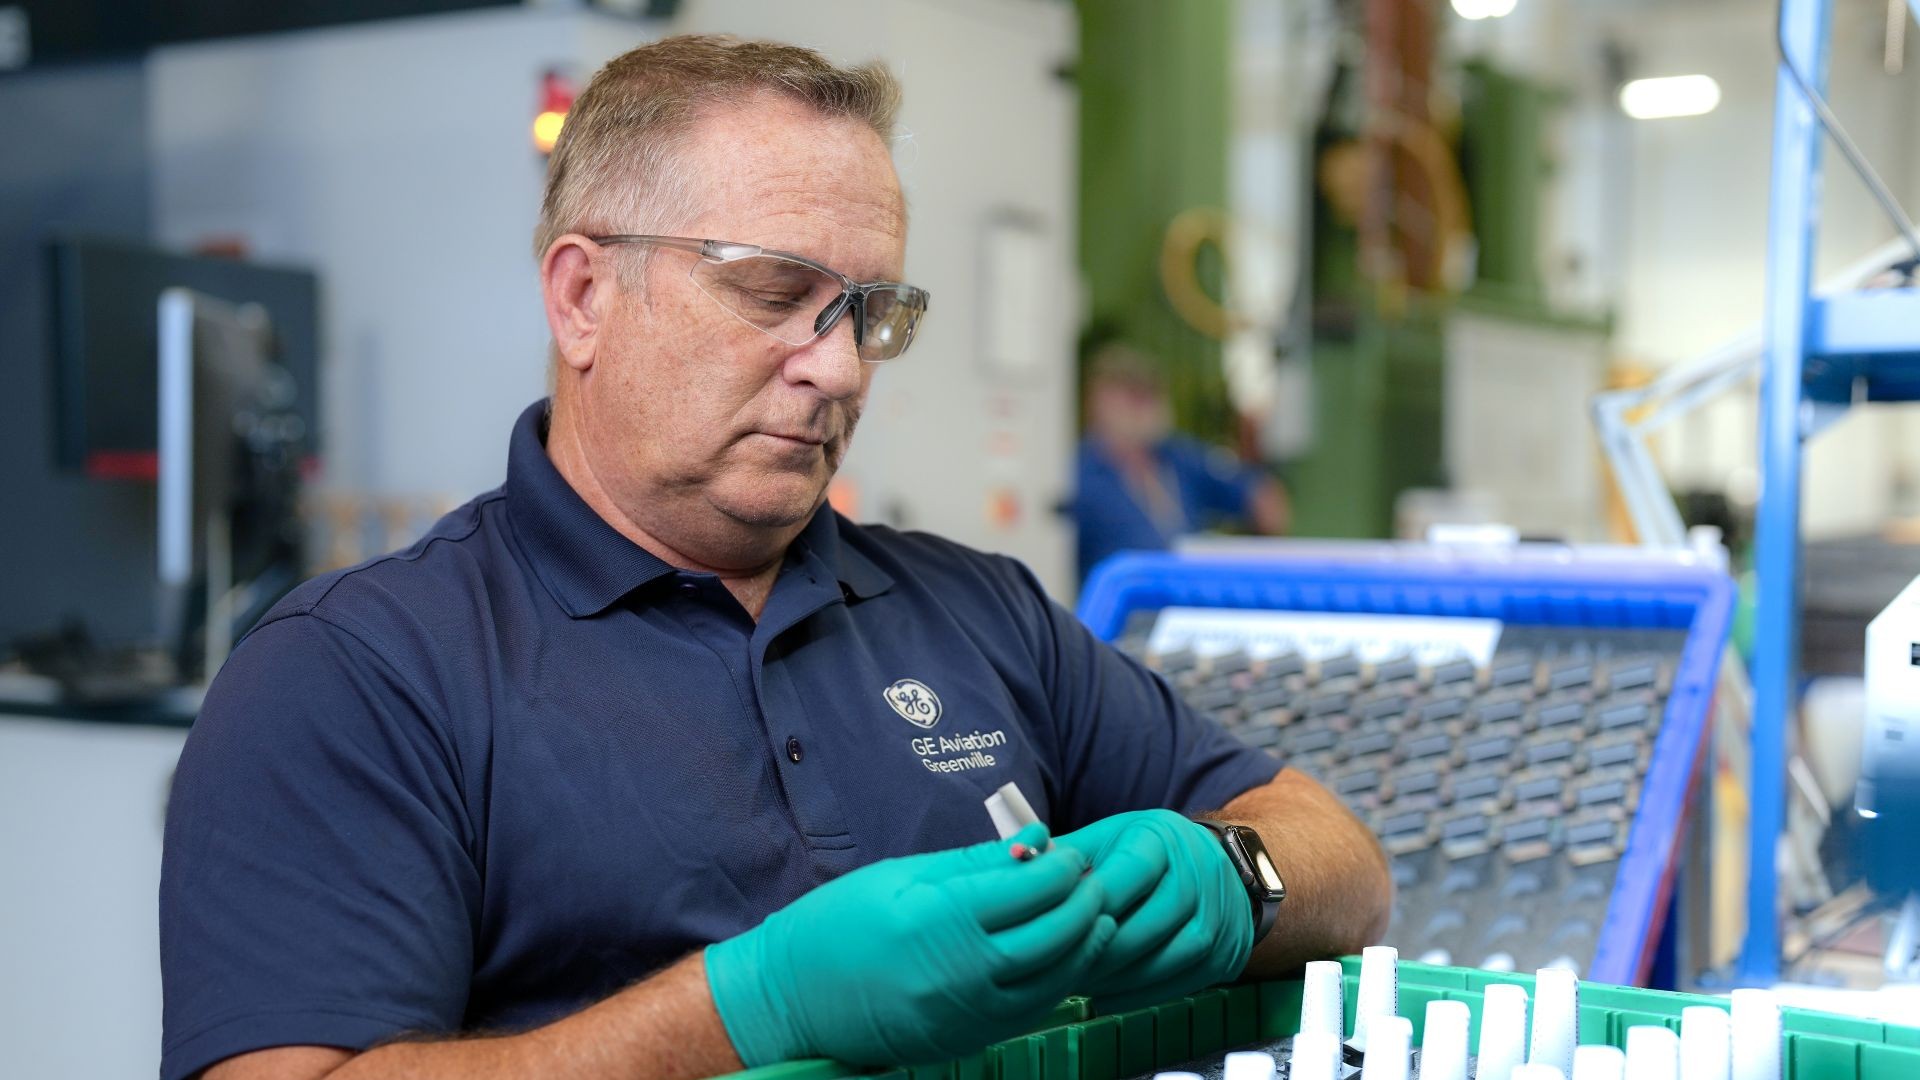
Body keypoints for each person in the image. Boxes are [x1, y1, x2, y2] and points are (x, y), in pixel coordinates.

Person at [159, 35, 1389, 1080]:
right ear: (583, 296)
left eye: (869, 311)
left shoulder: (974, 610)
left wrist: (1232, 875)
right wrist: (745, 1007)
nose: (842, 368)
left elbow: (1343, 859)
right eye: (772, 293)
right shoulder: (360, 673)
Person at [1071, 345, 1290, 581]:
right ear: (1098, 401)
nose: (1142, 407)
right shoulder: (1079, 475)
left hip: (1184, 597)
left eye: (1149, 394)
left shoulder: (1179, 457)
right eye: (1131, 395)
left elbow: (1257, 497)